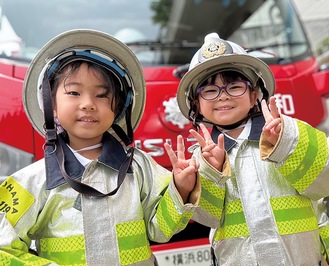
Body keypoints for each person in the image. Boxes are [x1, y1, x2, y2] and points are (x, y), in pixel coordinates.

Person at [0, 29, 200, 265]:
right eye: (74, 92)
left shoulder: (140, 166)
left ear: (119, 107)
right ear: (51, 104)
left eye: (102, 95)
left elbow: (160, 230)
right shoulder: (32, 180)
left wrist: (181, 188)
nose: (88, 104)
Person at [166, 32, 329, 265]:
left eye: (234, 87)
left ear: (254, 95)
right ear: (197, 105)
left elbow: (325, 180)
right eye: (210, 91)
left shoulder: (289, 132)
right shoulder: (200, 158)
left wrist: (287, 145)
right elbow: (208, 216)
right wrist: (210, 171)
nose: (222, 97)